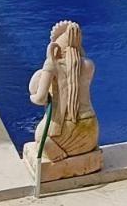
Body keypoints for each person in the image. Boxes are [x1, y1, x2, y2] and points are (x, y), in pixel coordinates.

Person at [29, 19, 98, 161]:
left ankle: (57, 155)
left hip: (63, 133)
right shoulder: (89, 65)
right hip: (91, 132)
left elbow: (40, 99)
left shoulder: (52, 64)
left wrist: (32, 95)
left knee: (40, 136)